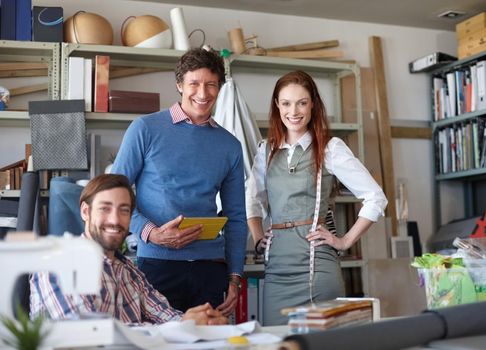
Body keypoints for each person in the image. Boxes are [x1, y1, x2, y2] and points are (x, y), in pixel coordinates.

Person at [110, 48, 247, 316]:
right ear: (179, 85)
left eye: (211, 85)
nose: (203, 93)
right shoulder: (145, 129)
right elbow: (114, 194)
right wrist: (152, 233)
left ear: (219, 87)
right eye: (194, 84)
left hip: (210, 268)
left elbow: (237, 217)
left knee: (211, 346)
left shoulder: (230, 146)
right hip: (158, 266)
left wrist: (234, 277)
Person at [245, 70, 388, 325]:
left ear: (313, 104)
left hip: (316, 268)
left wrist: (344, 241)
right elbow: (251, 199)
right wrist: (257, 238)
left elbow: (375, 197)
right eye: (286, 103)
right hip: (276, 269)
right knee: (275, 342)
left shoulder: (330, 148)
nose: (294, 111)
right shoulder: (265, 151)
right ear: (277, 105)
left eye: (302, 102)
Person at [30, 174, 227, 325]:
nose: (115, 220)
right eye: (105, 208)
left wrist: (195, 321)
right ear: (85, 211)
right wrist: (180, 326)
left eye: (124, 210)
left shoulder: (129, 271)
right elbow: (89, 334)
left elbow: (164, 315)